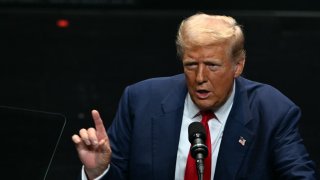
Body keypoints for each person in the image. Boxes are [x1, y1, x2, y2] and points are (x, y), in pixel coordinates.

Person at [71, 12, 318, 180]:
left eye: (212, 65)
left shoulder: (272, 111)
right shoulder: (141, 100)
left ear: (238, 66)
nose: (200, 77)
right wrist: (98, 172)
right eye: (191, 65)